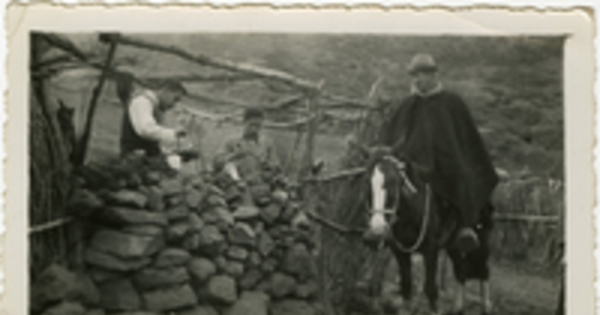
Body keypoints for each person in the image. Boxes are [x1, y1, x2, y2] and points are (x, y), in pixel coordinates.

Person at [378, 53, 499, 252]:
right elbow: (391, 136)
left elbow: (468, 139)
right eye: (415, 76)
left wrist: (459, 160)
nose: (418, 80)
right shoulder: (408, 105)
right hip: (412, 167)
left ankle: (464, 227)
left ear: (434, 75)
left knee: (461, 176)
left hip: (445, 167)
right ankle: (385, 226)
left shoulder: (452, 103)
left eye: (423, 74)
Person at [119, 79, 189, 169]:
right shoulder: (142, 102)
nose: (174, 105)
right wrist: (173, 133)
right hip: (133, 161)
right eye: (175, 99)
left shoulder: (154, 106)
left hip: (143, 160)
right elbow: (145, 130)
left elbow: (153, 138)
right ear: (165, 90)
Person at [213, 108, 280, 184]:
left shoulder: (267, 143)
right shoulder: (231, 140)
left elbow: (275, 166)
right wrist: (234, 155)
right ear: (244, 122)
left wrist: (265, 166)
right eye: (251, 125)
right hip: (235, 185)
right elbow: (216, 163)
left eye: (258, 126)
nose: (254, 130)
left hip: (259, 185)